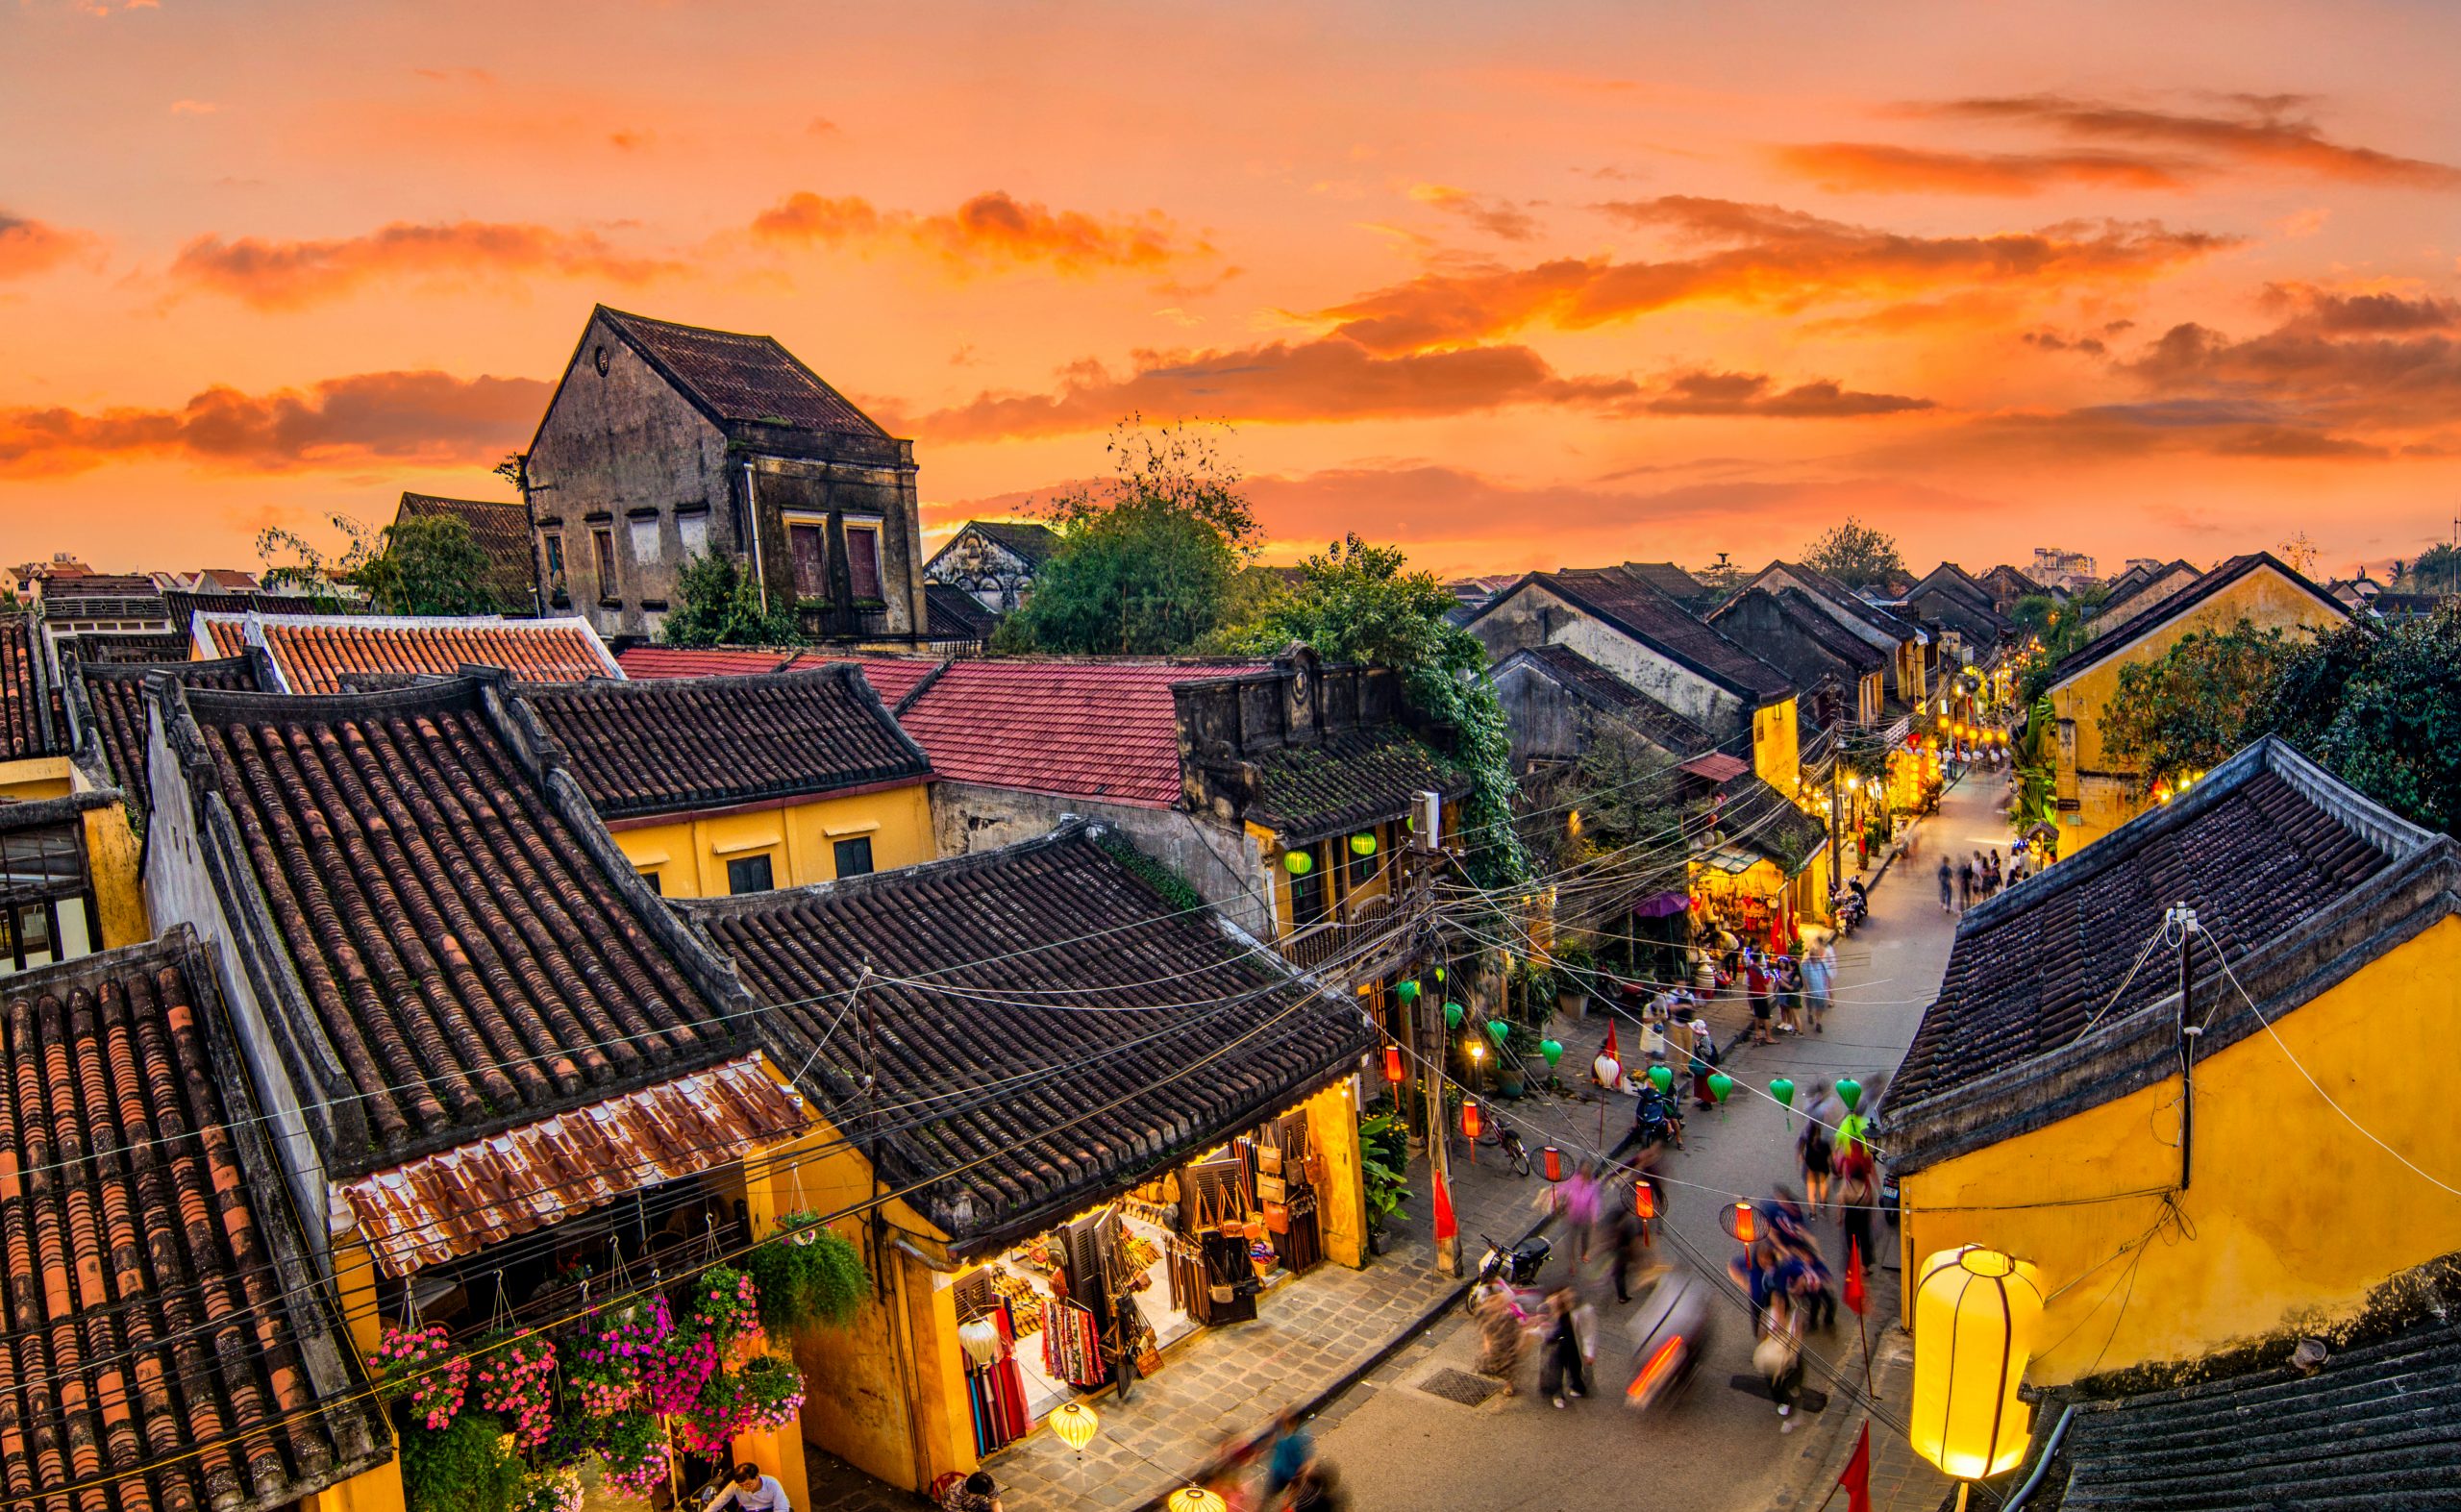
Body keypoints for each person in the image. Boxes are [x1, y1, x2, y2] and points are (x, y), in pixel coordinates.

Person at [1835, 1136, 1880, 1287]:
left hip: (1850, 1215)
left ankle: (1852, 1264)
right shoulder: (1866, 1186)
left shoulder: (1847, 1182)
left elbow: (1840, 1201)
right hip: (1863, 1214)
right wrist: (1873, 1216)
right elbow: (1871, 1199)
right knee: (1865, 1239)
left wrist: (1840, 1217)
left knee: (1850, 1240)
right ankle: (1865, 1267)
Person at [1537, 1287, 1588, 1407]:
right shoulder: (1544, 1309)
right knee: (1555, 1370)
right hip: (1554, 1347)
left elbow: (1586, 1331)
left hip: (1571, 1344)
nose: (1553, 1301)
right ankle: (1557, 1394)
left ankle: (1577, 1386)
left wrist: (1588, 1351)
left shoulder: (1573, 1312)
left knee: (1574, 1367)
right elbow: (1541, 1329)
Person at [1472, 1280, 1526, 1392]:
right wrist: (1487, 1343)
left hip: (1510, 1338)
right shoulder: (1490, 1310)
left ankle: (1509, 1383)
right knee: (1496, 1362)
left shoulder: (1513, 1309)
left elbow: (1521, 1323)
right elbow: (1486, 1329)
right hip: (1496, 1339)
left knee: (1510, 1362)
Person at [1263, 1410, 1314, 1502]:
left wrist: (1304, 1470)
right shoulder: (1281, 1428)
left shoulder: (1301, 1435)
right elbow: (1274, 1438)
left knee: (1289, 1497)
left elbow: (1308, 1458)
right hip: (1279, 1471)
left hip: (1293, 1472)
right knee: (1269, 1494)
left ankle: (1286, 1505)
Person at [712, 1466, 793, 1512]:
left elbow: (781, 1508)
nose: (745, 1488)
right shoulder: (734, 1485)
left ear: (757, 1477)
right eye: (741, 1485)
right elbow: (719, 1502)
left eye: (748, 1484)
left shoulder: (772, 1483)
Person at [937, 1472, 1001, 1512]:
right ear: (974, 1492)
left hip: (977, 1504)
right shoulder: (955, 1492)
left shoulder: (987, 1484)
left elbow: (994, 1500)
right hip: (957, 1508)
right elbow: (955, 1510)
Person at [1775, 955, 1803, 1036]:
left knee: (1796, 1015)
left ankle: (1800, 1032)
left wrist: (1782, 983)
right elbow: (1788, 980)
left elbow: (1791, 988)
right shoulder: (1793, 975)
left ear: (1793, 967)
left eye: (1790, 966)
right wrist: (1780, 977)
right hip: (1792, 997)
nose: (1789, 967)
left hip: (1794, 997)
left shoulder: (1796, 977)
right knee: (1794, 1015)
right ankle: (1797, 1029)